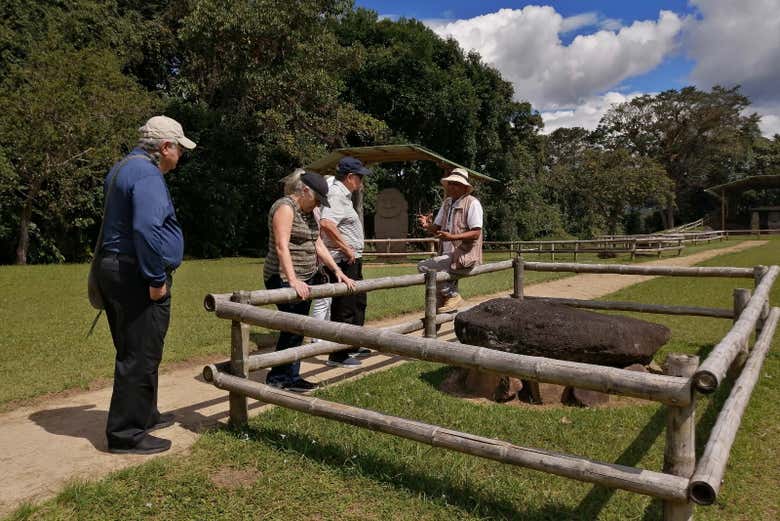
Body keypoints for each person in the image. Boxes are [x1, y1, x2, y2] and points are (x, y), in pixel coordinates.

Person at [96, 115, 196, 455]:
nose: (180, 156)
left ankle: (145, 413)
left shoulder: (124, 167)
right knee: (139, 352)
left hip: (116, 270)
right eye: (179, 149)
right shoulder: (148, 174)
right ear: (165, 147)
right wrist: (155, 279)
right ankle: (126, 434)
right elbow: (145, 230)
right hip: (136, 275)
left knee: (138, 348)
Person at [264, 170, 356, 390]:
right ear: (304, 191)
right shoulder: (285, 208)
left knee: (299, 328)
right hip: (282, 277)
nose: (317, 205)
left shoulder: (309, 212)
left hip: (305, 278)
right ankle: (278, 378)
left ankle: (291, 377)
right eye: (316, 199)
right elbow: (281, 246)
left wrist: (337, 271)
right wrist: (293, 279)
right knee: (292, 327)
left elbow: (317, 244)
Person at [319, 157, 373, 367]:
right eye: (359, 177)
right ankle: (338, 354)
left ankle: (352, 345)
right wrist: (346, 247)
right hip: (343, 260)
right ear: (350, 177)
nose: (361, 182)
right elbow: (327, 224)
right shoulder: (336, 194)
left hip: (352, 259)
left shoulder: (344, 195)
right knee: (345, 306)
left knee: (359, 302)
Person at [417, 167, 484, 313]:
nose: (451, 186)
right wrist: (427, 225)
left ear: (465, 188)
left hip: (463, 255)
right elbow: (437, 228)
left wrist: (452, 237)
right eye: (450, 183)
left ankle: (454, 295)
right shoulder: (447, 203)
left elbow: (476, 233)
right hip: (447, 254)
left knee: (423, 266)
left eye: (456, 183)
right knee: (436, 299)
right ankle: (432, 329)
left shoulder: (472, 203)